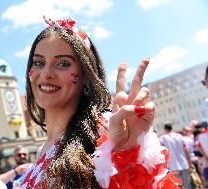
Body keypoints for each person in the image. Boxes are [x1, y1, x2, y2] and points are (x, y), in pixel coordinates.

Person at [18, 16, 181, 188]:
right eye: (38, 62)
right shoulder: (41, 150)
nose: (46, 73)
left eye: (63, 63)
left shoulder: (105, 132)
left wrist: (129, 155)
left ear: (86, 76)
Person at [159, 122, 193, 189]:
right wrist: (190, 162)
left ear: (165, 129)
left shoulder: (162, 138)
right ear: (171, 127)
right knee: (187, 184)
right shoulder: (179, 136)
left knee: (177, 186)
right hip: (184, 163)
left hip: (172, 165)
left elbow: (162, 153)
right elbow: (186, 150)